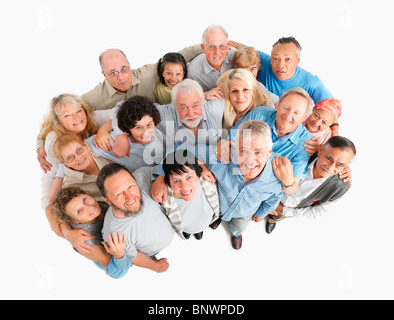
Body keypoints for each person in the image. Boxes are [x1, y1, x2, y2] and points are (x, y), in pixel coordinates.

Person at [197, 120, 283, 250]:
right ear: (235, 149)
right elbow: (183, 151)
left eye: (258, 152)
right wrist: (201, 166)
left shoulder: (274, 181)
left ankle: (236, 233)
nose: (250, 160)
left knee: (239, 227)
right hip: (220, 205)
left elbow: (273, 199)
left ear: (269, 152)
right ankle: (217, 219)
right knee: (214, 214)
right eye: (244, 151)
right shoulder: (223, 158)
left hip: (245, 215)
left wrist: (261, 214)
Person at [38, 94, 114, 231]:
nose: (76, 118)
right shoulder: (54, 141)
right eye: (67, 115)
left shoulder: (92, 118)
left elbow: (120, 113)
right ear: (58, 121)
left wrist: (103, 130)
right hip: (82, 182)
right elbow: (49, 180)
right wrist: (60, 226)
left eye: (79, 111)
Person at [218, 87, 314, 194]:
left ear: (304, 117)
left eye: (296, 113)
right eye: (286, 108)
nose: (288, 116)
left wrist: (287, 182)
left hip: (260, 190)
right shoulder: (259, 114)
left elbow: (292, 187)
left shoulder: (305, 143)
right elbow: (231, 141)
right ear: (278, 105)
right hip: (236, 170)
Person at [265, 136, 356, 234]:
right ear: (320, 150)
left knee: (277, 216)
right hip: (268, 193)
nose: (330, 167)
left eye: (340, 165)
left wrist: (283, 210)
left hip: (291, 208)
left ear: (346, 166)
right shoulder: (304, 152)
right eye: (329, 158)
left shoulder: (340, 187)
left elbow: (318, 212)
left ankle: (272, 219)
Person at [97, 163, 175, 273]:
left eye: (130, 186)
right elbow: (134, 256)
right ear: (108, 201)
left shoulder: (142, 177)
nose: (129, 197)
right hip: (155, 251)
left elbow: (168, 163)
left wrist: (161, 179)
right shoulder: (114, 234)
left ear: (135, 180)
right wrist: (155, 266)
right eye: (119, 194)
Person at [82, 45, 202, 110]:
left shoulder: (148, 74)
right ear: (104, 75)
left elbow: (184, 54)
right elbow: (69, 108)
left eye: (124, 69)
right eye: (113, 73)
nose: (121, 77)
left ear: (129, 66)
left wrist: (213, 48)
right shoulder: (95, 97)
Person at [52, 187, 131, 279]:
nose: (89, 207)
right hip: (119, 260)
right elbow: (117, 273)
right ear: (74, 221)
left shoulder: (99, 204)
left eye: (84, 199)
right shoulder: (87, 243)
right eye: (79, 211)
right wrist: (119, 256)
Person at [230, 37, 332, 105]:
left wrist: (334, 130)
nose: (281, 65)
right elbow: (241, 46)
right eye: (276, 59)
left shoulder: (311, 82)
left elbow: (331, 107)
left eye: (287, 59)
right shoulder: (265, 61)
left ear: (297, 60)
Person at [86, 96, 165, 171]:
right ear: (128, 128)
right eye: (138, 127)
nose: (146, 132)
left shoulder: (158, 137)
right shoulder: (112, 141)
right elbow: (82, 147)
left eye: (149, 125)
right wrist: (102, 132)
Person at [161, 148, 220, 240]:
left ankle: (199, 230)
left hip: (204, 221)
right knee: (187, 230)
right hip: (185, 226)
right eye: (176, 181)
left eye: (189, 177)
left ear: (198, 174)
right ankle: (188, 231)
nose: (184, 187)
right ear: (168, 182)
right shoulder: (165, 198)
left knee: (199, 228)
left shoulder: (206, 182)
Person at [187, 25, 236, 98]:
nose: (217, 52)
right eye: (211, 46)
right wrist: (203, 95)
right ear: (203, 48)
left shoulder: (235, 57)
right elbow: (189, 98)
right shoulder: (193, 73)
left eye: (222, 46)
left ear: (228, 46)